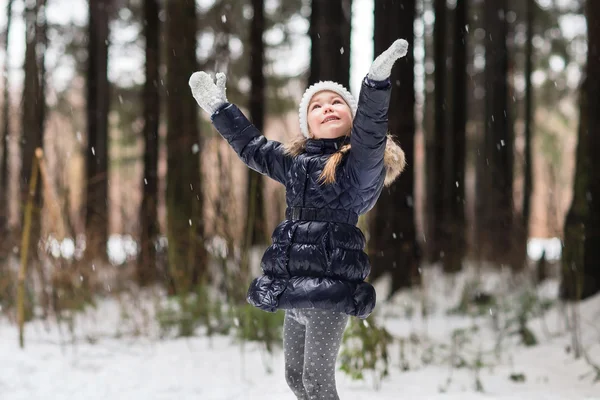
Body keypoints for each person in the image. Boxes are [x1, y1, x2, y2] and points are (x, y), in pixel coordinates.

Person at [189, 38, 408, 400]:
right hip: (294, 291)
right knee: (295, 380)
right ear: (307, 124)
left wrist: (375, 82)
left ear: (352, 117)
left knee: (318, 383)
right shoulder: (296, 164)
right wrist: (219, 107)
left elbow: (371, 134)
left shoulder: (358, 167)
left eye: (337, 102)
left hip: (329, 292)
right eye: (317, 105)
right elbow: (252, 148)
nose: (328, 107)